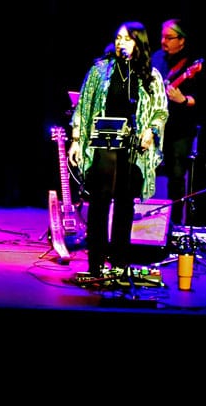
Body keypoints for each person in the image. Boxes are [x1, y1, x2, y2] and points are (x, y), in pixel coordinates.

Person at [67, 21, 168, 278]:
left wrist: (151, 131)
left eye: (127, 38)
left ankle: (121, 262)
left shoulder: (150, 75)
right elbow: (83, 107)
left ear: (139, 42)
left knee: (125, 204)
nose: (121, 42)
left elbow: (160, 111)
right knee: (100, 201)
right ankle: (96, 262)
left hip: (133, 145)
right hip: (104, 139)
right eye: (118, 38)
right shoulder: (100, 71)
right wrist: (77, 139)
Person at [150, 18, 205, 225]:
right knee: (146, 173)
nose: (164, 41)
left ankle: (174, 226)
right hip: (155, 126)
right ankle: (143, 221)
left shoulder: (191, 64)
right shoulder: (157, 58)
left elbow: (198, 100)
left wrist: (182, 100)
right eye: (163, 36)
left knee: (176, 176)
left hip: (180, 129)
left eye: (169, 38)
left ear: (182, 41)